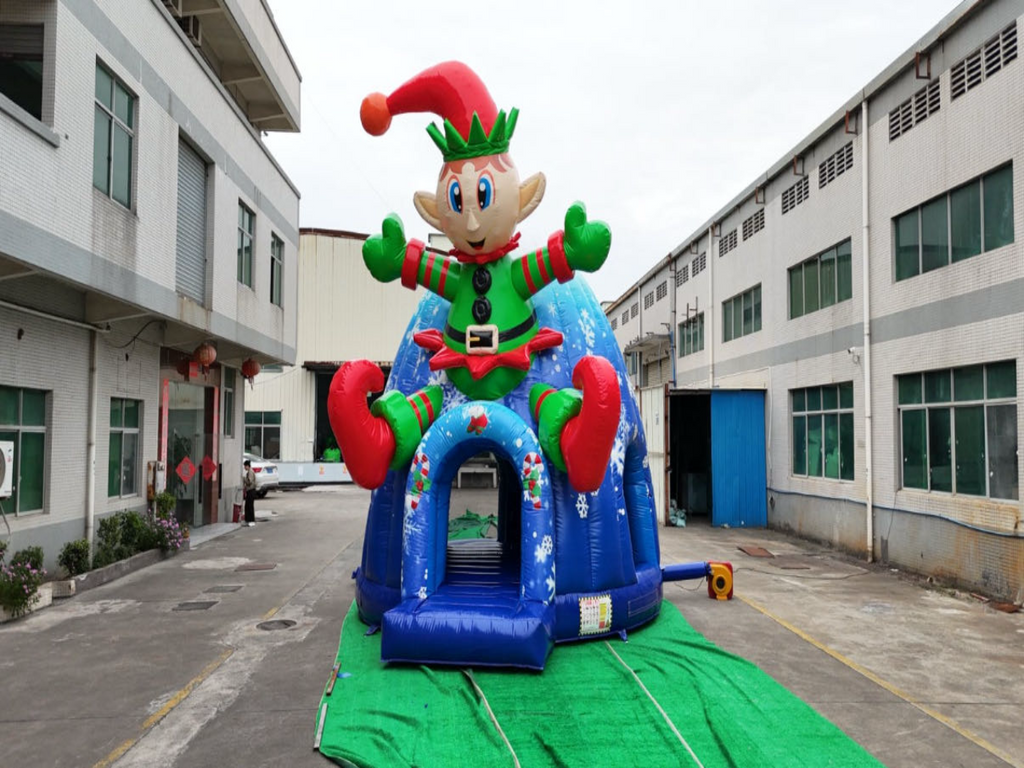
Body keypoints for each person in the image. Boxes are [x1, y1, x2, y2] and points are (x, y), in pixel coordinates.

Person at [242, 460, 256, 527]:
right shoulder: (250, 471)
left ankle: (251, 520)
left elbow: (249, 482)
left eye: (245, 466)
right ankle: (248, 520)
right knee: (247, 506)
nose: (244, 467)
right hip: (250, 491)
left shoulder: (250, 472)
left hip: (251, 490)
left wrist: (244, 479)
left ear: (247, 466)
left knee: (249, 506)